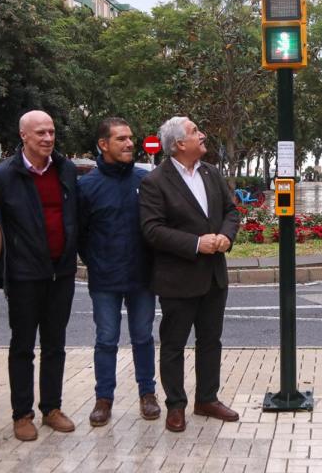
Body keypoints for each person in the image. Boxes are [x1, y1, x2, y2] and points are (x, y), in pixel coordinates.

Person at [139, 116, 241, 433]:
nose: (203, 134)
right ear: (179, 144)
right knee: (173, 345)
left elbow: (231, 211)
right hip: (178, 278)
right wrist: (197, 244)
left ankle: (207, 399)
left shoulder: (211, 173)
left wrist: (226, 235)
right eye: (196, 131)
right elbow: (152, 230)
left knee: (210, 341)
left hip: (213, 277)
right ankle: (176, 405)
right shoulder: (155, 181)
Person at [0, 110, 78, 442]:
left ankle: (52, 408)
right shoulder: (3, 176)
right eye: (40, 133)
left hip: (62, 272)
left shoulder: (65, 169)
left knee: (55, 345)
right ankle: (22, 414)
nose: (47, 138)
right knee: (23, 346)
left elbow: (74, 215)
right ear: (24, 136)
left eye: (52, 132)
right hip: (25, 275)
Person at [77, 117, 160, 427]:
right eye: (121, 139)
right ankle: (103, 398)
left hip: (142, 276)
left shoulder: (145, 181)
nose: (129, 144)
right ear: (103, 144)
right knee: (106, 339)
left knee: (143, 337)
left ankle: (147, 394)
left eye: (130, 138)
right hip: (105, 278)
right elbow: (81, 235)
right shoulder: (87, 186)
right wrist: (96, 262)